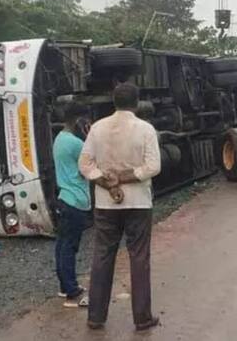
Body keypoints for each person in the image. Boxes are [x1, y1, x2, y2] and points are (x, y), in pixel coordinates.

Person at [79, 82, 161, 331]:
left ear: (113, 102)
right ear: (136, 103)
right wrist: (125, 177)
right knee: (139, 258)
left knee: (102, 256)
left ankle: (95, 317)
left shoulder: (97, 128)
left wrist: (106, 181)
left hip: (105, 204)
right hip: (138, 203)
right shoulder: (145, 129)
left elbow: (85, 164)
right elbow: (153, 167)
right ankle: (142, 318)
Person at [53, 102, 91, 308]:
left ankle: (64, 286)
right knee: (69, 247)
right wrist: (88, 135)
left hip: (64, 198)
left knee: (62, 245)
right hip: (75, 200)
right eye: (85, 119)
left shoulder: (59, 139)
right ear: (78, 120)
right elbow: (93, 160)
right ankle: (71, 292)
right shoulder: (76, 144)